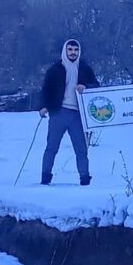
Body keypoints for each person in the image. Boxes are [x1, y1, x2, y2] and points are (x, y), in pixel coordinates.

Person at [39, 39, 99, 186]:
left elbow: (96, 86)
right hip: (58, 112)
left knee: (81, 149)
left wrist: (85, 86)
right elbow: (46, 89)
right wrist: (43, 106)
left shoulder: (85, 68)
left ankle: (85, 179)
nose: (73, 53)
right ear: (65, 51)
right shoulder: (55, 69)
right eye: (70, 50)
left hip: (78, 115)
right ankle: (45, 178)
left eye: (75, 50)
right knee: (52, 147)